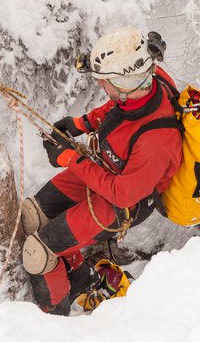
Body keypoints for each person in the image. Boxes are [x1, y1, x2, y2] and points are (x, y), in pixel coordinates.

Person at [20, 26, 183, 315]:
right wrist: (81, 123)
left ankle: (53, 321)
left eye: (104, 81)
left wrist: (70, 159)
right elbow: (120, 110)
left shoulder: (158, 141)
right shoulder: (143, 84)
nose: (100, 86)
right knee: (31, 217)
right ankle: (80, 278)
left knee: (37, 253)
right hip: (103, 170)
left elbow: (121, 194)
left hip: (122, 201)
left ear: (124, 83)